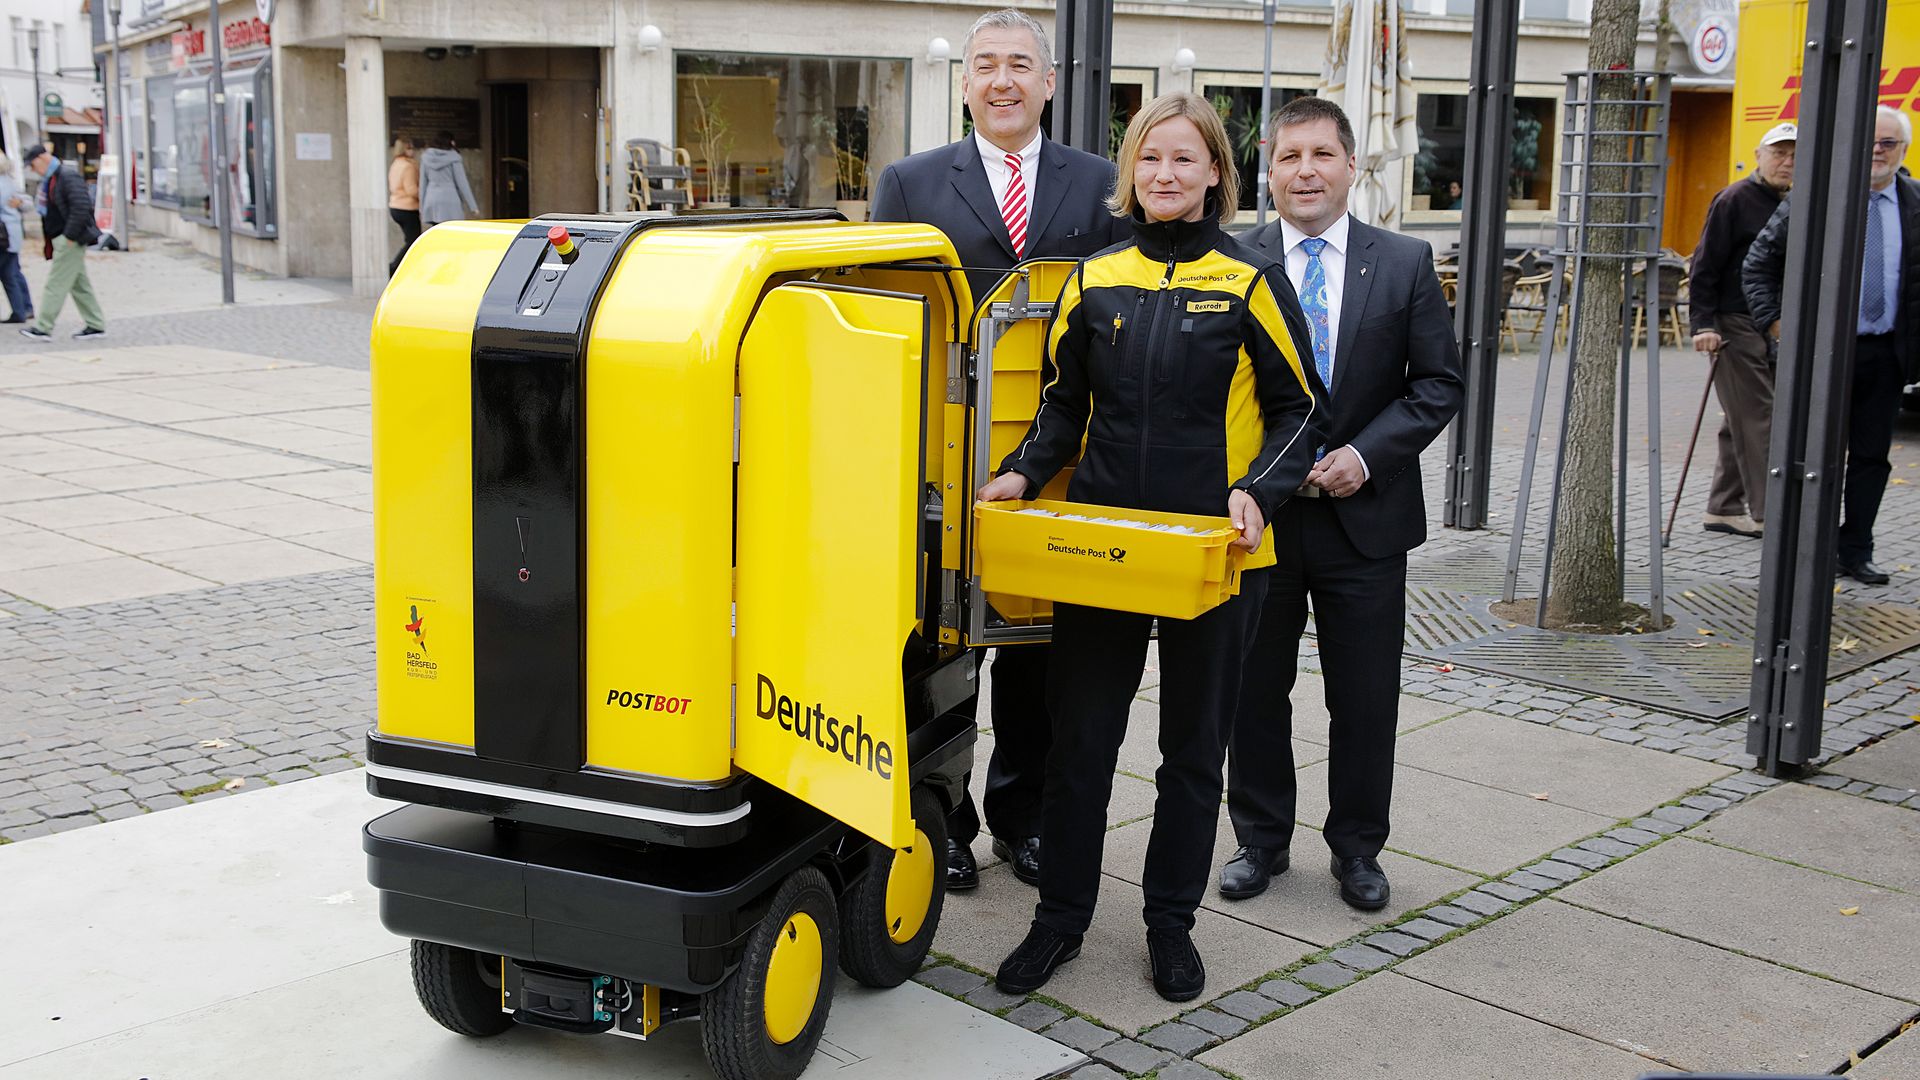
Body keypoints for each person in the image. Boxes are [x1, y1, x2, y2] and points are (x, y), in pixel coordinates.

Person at [979, 90, 1325, 1002]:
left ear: (1216, 172)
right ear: (1130, 172)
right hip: (1103, 545)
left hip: (1213, 558)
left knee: (1191, 752)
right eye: (1149, 159)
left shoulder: (1251, 279)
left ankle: (1170, 927)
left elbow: (1301, 414)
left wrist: (1257, 493)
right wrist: (1020, 471)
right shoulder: (1093, 279)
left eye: (1184, 159)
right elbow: (1062, 403)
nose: (1165, 175)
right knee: (1080, 747)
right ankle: (1058, 922)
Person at [869, 7, 1124, 894]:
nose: (1004, 80)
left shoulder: (1102, 184)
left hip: (1059, 466)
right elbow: (878, 325)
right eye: (988, 65)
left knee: (1037, 653)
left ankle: (1024, 821)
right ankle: (938, 825)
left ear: (1050, 82)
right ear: (965, 83)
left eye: (1022, 64)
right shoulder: (908, 184)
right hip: (942, 468)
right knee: (939, 654)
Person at [1217, 97, 1463, 912]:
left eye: (1322, 154)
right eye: (1289, 157)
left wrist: (1366, 455)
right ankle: (1260, 839)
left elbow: (1437, 384)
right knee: (1254, 688)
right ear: (1270, 171)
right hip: (1264, 519)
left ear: (1352, 166)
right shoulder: (1234, 261)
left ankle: (1358, 849)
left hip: (1368, 519)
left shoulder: (1403, 263)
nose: (1305, 171)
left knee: (1364, 696)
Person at [1744, 105, 1920, 586]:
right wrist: (1779, 326)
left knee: (1871, 458)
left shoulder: (1914, 201)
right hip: (1822, 356)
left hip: (1886, 355)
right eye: (1871, 142)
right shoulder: (1816, 199)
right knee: (1812, 456)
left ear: (1903, 150)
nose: (1878, 152)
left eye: (1889, 143)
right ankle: (1804, 552)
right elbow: (1757, 266)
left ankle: (1855, 550)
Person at [1688, 123, 1796, 539]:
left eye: (1794, 154)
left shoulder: (1798, 200)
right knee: (1762, 418)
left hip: (1775, 323)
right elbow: (1704, 264)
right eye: (1779, 153)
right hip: (1734, 322)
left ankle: (1723, 507)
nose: (1787, 162)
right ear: (1759, 155)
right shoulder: (1734, 199)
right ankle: (1771, 513)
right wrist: (1703, 324)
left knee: (1742, 420)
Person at [17, 144, 104, 342]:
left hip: (69, 240)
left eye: (33, 164)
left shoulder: (66, 177)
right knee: (80, 285)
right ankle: (96, 324)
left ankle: (43, 327)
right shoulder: (53, 178)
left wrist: (69, 237)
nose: (32, 169)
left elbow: (81, 207)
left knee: (55, 283)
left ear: (42, 158)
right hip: (63, 238)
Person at [418, 131, 479, 229]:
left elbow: (423, 184)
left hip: (432, 200)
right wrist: (473, 206)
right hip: (450, 201)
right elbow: (463, 184)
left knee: (436, 233)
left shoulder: (426, 157)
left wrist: (421, 206)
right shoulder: (454, 158)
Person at [0, 155, 33, 324]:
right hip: (12, 235)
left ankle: (20, 311)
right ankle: (24, 308)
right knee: (12, 273)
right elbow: (27, 203)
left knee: (9, 274)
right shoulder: (9, 181)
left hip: (3, 236)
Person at [388, 138, 422, 275]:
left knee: (410, 240)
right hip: (407, 208)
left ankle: (401, 268)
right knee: (414, 242)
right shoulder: (408, 166)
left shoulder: (396, 164)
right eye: (410, 148)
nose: (413, 151)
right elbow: (411, 190)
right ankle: (395, 267)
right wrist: (424, 197)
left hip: (395, 206)